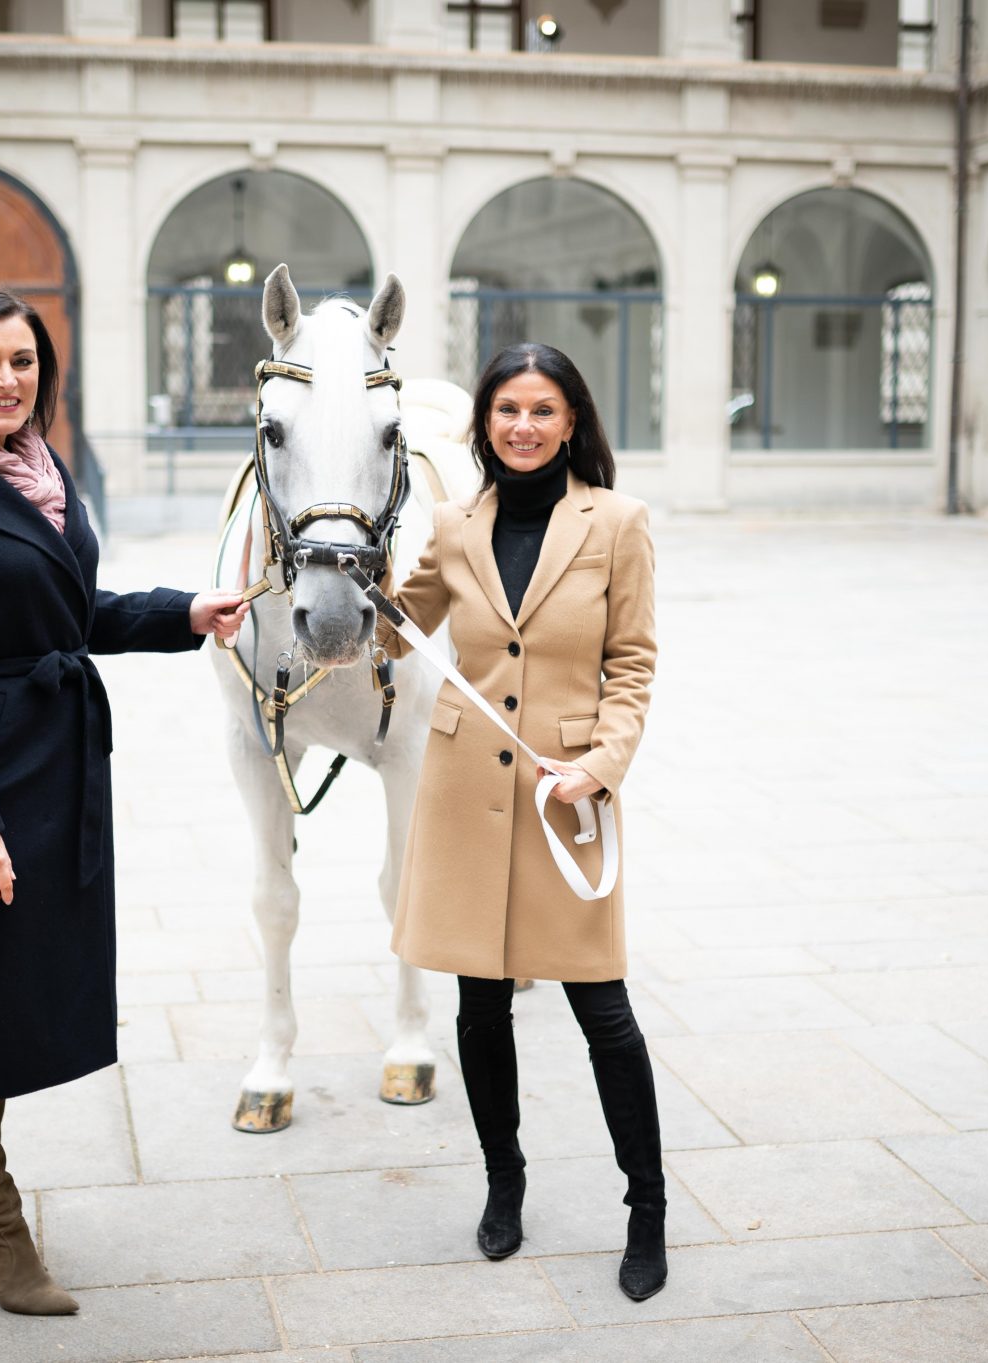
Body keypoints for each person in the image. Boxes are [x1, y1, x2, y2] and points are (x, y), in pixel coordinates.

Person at [0, 287, 247, 1316]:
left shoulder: (38, 471)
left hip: (53, 762)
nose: (7, 380)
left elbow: (67, 613)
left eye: (23, 361)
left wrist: (181, 613)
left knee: (13, 988)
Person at [382, 342, 664, 1300]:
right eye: (507, 410)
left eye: (542, 410)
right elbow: (390, 620)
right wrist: (336, 552)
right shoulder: (458, 526)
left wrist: (600, 766)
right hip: (464, 791)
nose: (523, 427)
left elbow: (631, 665)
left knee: (605, 1014)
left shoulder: (618, 523)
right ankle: (504, 1182)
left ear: (571, 419)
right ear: (484, 425)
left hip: (563, 796)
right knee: (479, 1005)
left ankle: (647, 1209)